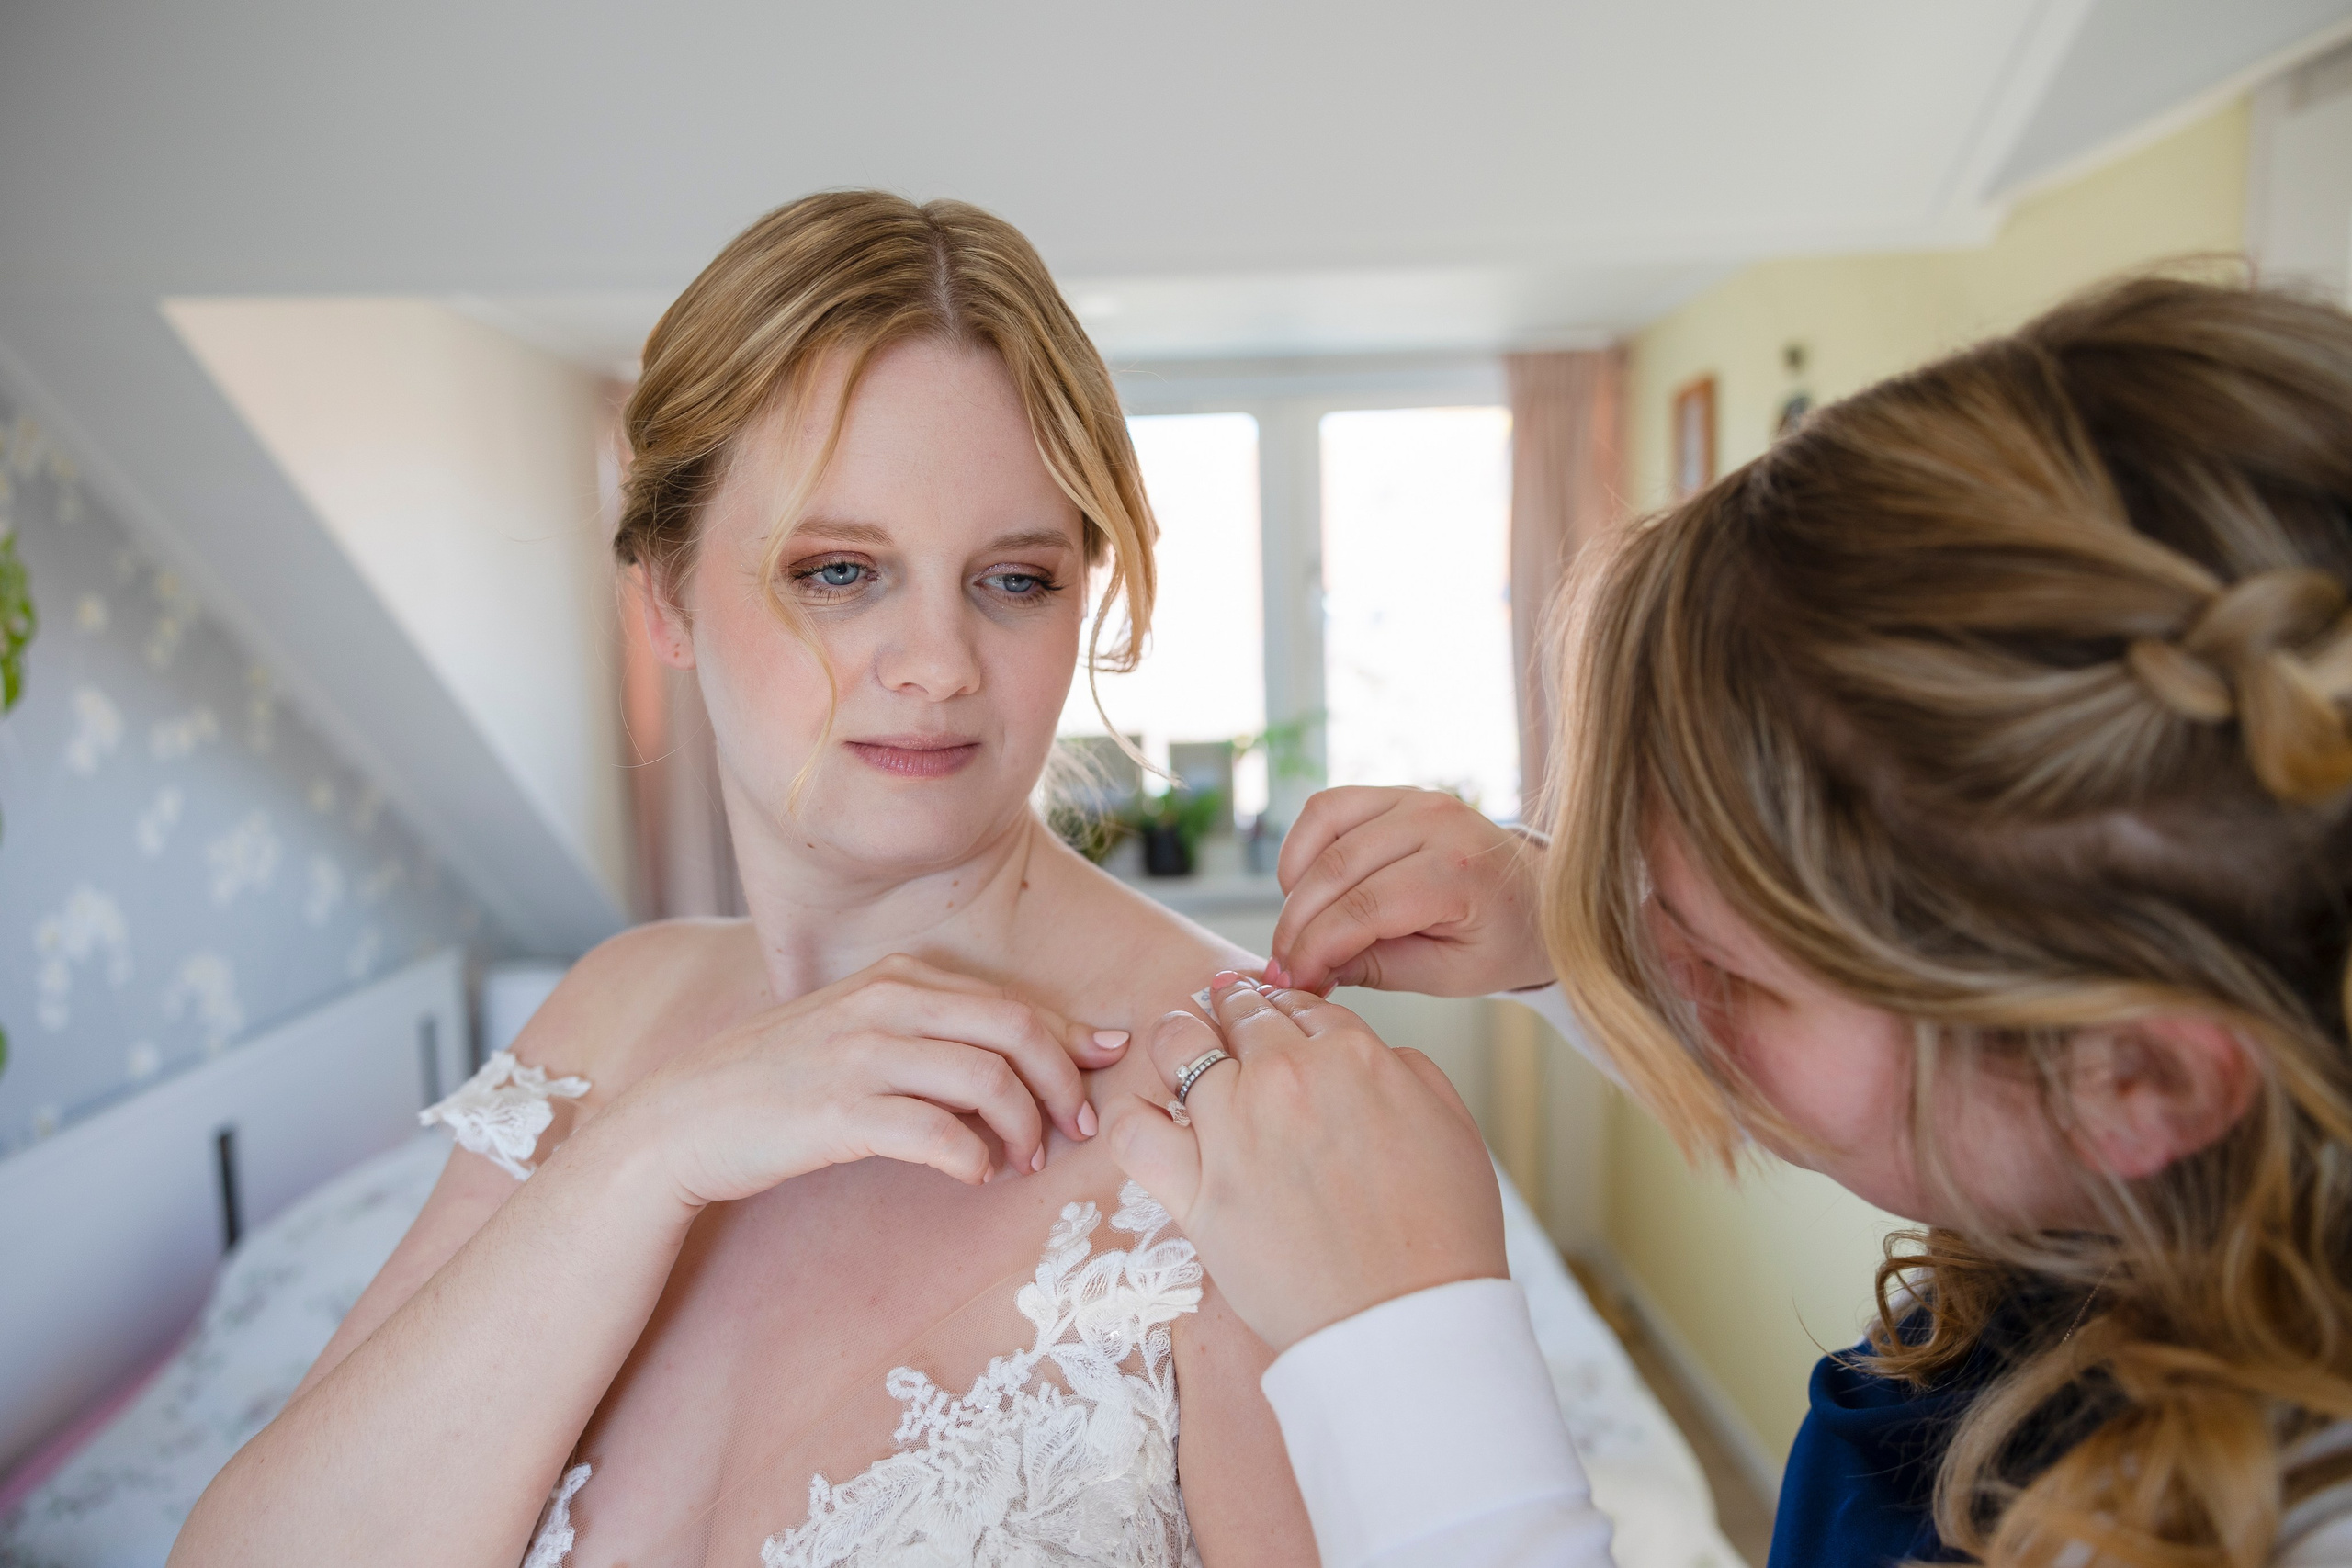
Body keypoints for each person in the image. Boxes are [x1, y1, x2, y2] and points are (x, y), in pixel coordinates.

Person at [1109, 278, 2352, 1568]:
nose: (1661, 983)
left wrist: (1401, 1344)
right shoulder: (2150, 1213)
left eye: (1735, 969)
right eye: (1659, 919)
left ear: (2134, 1078)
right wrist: (1548, 923)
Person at [172, 192, 1316, 1567]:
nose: (940, 662)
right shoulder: (606, 1019)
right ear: (660, 592)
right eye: (839, 571)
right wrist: (648, 1154)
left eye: (1015, 580)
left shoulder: (1246, 1098)